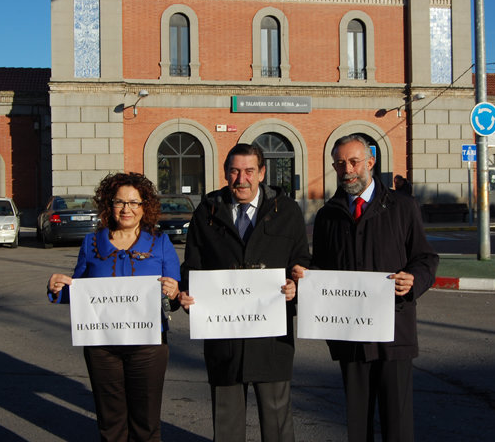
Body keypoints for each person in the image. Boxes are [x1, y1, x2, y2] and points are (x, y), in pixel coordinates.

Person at [292, 134, 438, 442]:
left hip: (394, 333)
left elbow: (425, 258)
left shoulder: (402, 207)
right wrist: (307, 276)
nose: (348, 170)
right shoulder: (327, 215)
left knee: (397, 425)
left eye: (354, 162)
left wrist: (414, 280)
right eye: (340, 163)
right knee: (358, 427)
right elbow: (323, 268)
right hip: (350, 337)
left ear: (370, 163)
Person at [179, 143, 310, 442]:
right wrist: (187, 294)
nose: (242, 179)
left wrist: (296, 283)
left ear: (262, 173)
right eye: (235, 171)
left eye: (249, 171)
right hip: (223, 334)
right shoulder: (207, 211)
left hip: (272, 334)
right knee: (227, 423)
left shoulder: (287, 210)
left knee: (277, 420)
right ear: (225, 174)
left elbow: (302, 260)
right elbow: (192, 265)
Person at [47, 172, 181, 442]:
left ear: (145, 206)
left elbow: (174, 297)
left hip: (148, 346)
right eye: (120, 202)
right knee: (110, 422)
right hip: (102, 346)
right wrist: (58, 289)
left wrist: (174, 291)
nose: (126, 209)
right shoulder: (91, 242)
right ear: (109, 205)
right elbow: (82, 291)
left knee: (146, 422)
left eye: (134, 203)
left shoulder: (160, 242)